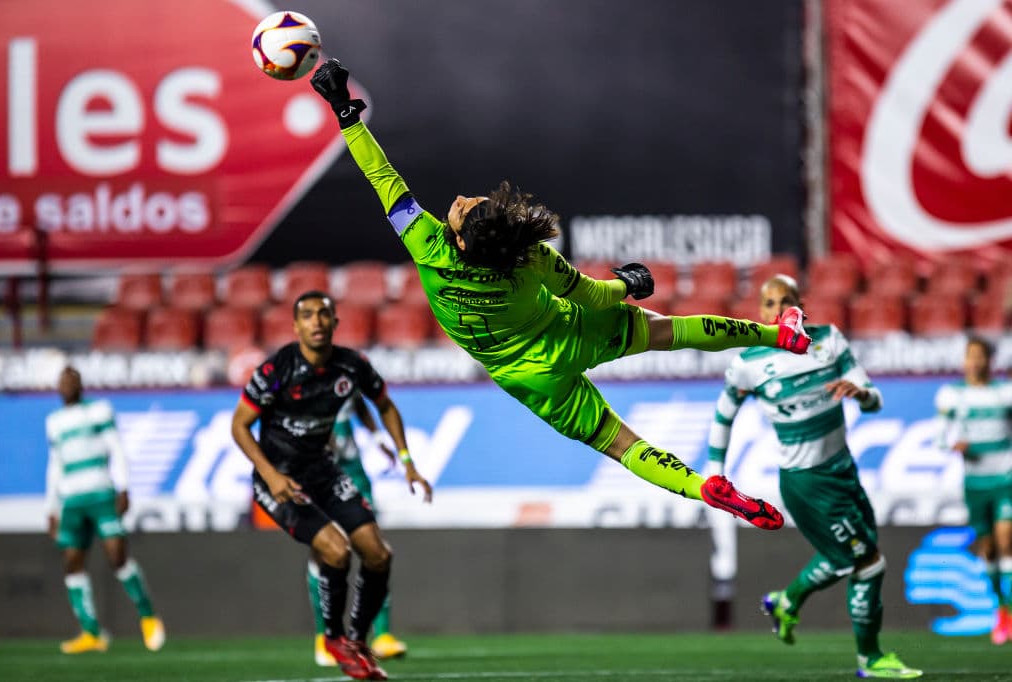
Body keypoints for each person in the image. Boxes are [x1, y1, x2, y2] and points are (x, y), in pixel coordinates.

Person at [308, 59, 812, 532]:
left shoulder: (428, 245)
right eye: (467, 207)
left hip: (527, 378)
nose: (461, 200)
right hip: (570, 331)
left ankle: (703, 488)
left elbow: (382, 178)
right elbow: (593, 296)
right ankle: (778, 335)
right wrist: (629, 286)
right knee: (669, 330)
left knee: (619, 444)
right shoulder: (531, 258)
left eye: (465, 207)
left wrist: (345, 114)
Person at [706, 275, 921, 679]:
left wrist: (861, 394)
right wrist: (715, 472)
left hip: (844, 469)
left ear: (800, 304)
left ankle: (787, 601)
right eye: (770, 303)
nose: (777, 308)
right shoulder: (749, 363)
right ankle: (870, 660)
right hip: (807, 483)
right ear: (761, 312)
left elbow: (874, 397)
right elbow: (723, 415)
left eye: (785, 300)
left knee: (851, 556)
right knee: (867, 563)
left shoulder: (829, 340)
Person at [231, 291, 431, 681]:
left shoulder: (351, 367)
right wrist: (271, 476)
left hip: (322, 471)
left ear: (336, 322)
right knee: (335, 552)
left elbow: (385, 405)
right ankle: (334, 638)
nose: (317, 321)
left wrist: (407, 462)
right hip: (280, 479)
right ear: (295, 326)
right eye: (307, 315)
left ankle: (355, 640)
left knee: (378, 554)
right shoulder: (277, 370)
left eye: (324, 314)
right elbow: (239, 425)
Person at [45, 366, 165, 654]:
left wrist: (124, 487)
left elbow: (117, 448)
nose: (67, 384)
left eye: (72, 379)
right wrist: (51, 507)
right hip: (71, 499)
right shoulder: (54, 422)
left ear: (81, 384)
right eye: (62, 380)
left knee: (117, 556)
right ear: (57, 387)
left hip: (100, 493)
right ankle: (91, 632)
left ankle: (148, 615)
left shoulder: (98, 411)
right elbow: (55, 465)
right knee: (72, 562)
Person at [309, 394, 422, 666]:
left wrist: (377, 436)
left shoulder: (347, 368)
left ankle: (381, 635)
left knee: (374, 547)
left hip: (352, 469)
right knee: (324, 551)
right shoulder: (296, 374)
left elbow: (358, 401)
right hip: (316, 469)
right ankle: (325, 637)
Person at [935, 336, 1012, 645]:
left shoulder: (1004, 393)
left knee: (1006, 541)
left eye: (981, 356)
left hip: (1005, 478)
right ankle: (1002, 610)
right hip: (974, 482)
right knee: (989, 550)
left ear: (989, 361)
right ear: (965, 361)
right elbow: (940, 437)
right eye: (971, 356)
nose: (976, 361)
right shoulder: (952, 395)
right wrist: (953, 445)